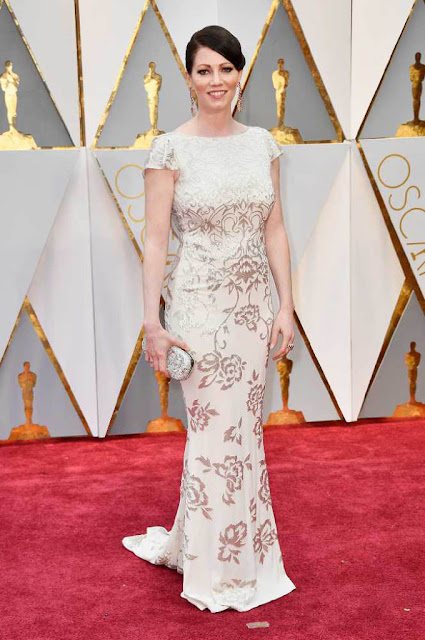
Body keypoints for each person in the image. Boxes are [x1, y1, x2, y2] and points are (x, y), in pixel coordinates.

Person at [122, 25, 296, 613]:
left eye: (226, 69)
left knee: (244, 435)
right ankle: (212, 566)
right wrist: (154, 324)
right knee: (211, 436)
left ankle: (242, 556)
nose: (216, 80)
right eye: (204, 70)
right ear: (189, 78)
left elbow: (274, 228)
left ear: (240, 74)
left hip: (251, 313)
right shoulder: (170, 149)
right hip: (197, 309)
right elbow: (153, 244)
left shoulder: (262, 145)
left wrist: (285, 304)